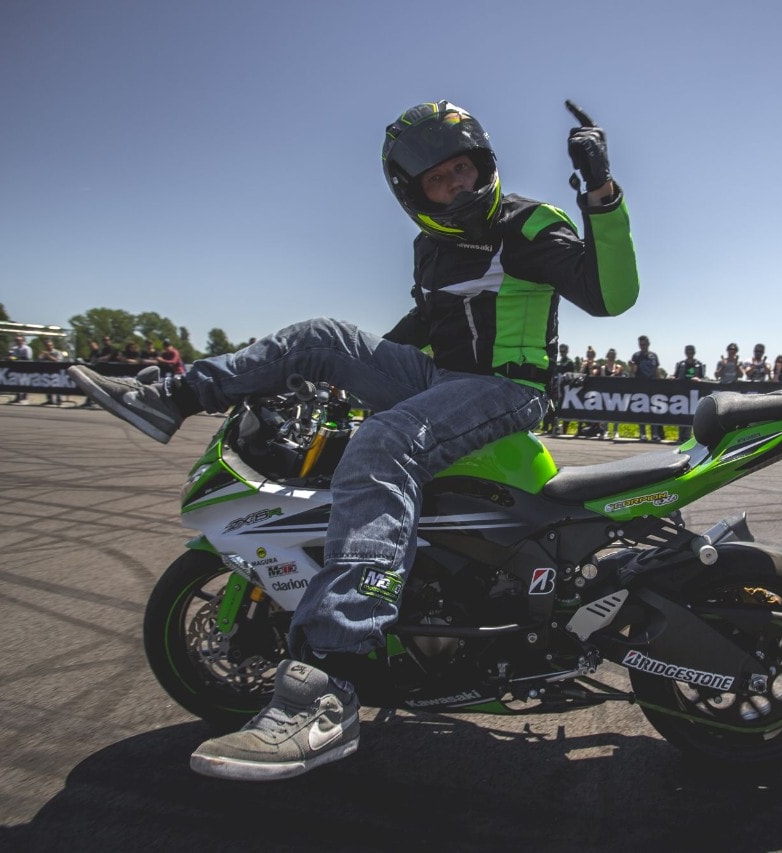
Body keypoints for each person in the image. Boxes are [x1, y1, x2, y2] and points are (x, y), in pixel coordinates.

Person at [69, 99, 639, 781]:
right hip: (439, 377)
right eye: (437, 180)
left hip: (504, 387)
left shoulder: (527, 223)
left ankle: (327, 683)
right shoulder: (431, 247)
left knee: (383, 442)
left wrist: (601, 193)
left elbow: (611, 296)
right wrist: (345, 378)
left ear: (483, 164)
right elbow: (423, 327)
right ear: (414, 194)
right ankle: (174, 396)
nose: (455, 184)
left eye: (461, 169)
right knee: (320, 337)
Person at [629, 335, 663, 441]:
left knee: (654, 410)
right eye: (641, 344)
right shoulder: (636, 356)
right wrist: (631, 366)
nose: (642, 346)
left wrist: (661, 383)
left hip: (653, 386)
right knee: (641, 411)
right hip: (641, 386)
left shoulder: (654, 356)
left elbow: (657, 370)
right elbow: (633, 372)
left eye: (644, 344)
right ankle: (642, 433)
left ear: (648, 344)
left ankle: (654, 434)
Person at [672, 344, 705, 442]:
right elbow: (675, 376)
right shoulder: (680, 364)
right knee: (681, 415)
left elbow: (703, 378)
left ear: (694, 352)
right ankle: (680, 437)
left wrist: (699, 379)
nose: (689, 353)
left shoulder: (699, 364)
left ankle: (687, 438)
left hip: (694, 395)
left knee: (692, 417)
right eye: (688, 351)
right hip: (682, 394)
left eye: (691, 351)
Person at [37, 338, 67, 406]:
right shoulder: (44, 353)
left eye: (50, 345)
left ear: (53, 345)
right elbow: (39, 360)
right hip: (47, 372)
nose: (49, 347)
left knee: (57, 386)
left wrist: (49, 356)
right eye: (47, 345)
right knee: (47, 386)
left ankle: (59, 400)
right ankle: (50, 400)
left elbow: (59, 361)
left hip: (56, 372)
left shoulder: (57, 352)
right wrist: (41, 355)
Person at [8, 335, 33, 404]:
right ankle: (18, 397)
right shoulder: (14, 348)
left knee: (24, 382)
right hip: (16, 368)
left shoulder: (27, 348)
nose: (18, 342)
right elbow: (12, 356)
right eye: (16, 340)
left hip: (25, 368)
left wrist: (15, 358)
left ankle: (24, 397)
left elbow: (27, 358)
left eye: (19, 340)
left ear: (23, 341)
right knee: (17, 382)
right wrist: (11, 357)